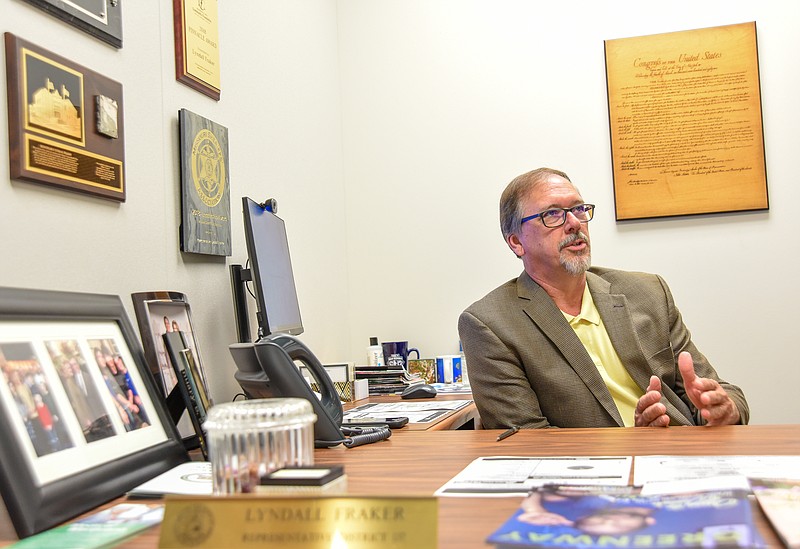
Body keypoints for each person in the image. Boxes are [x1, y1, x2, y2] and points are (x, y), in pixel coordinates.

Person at [458, 167, 749, 429]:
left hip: (682, 458)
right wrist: (632, 444)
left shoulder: (647, 292)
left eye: (579, 209)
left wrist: (725, 410)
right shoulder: (490, 324)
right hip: (586, 479)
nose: (574, 223)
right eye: (553, 214)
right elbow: (527, 440)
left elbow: (715, 391)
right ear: (516, 242)